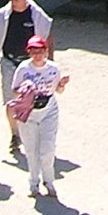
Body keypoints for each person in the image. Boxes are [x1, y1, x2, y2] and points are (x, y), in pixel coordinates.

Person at [0, 0, 53, 154]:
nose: (13, 3)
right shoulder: (2, 14)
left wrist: (50, 62)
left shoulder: (37, 15)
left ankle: (31, 135)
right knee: (11, 101)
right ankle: (15, 134)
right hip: (9, 61)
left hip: (30, 64)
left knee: (34, 101)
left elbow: (47, 35)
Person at [11, 36, 69, 198]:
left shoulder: (53, 69)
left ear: (46, 52)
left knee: (48, 149)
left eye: (41, 51)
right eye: (34, 51)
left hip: (48, 110)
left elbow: (58, 91)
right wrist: (25, 90)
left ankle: (49, 182)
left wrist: (62, 84)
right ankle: (33, 183)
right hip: (28, 112)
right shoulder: (23, 69)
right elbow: (14, 90)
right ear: (29, 52)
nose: (38, 55)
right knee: (31, 150)